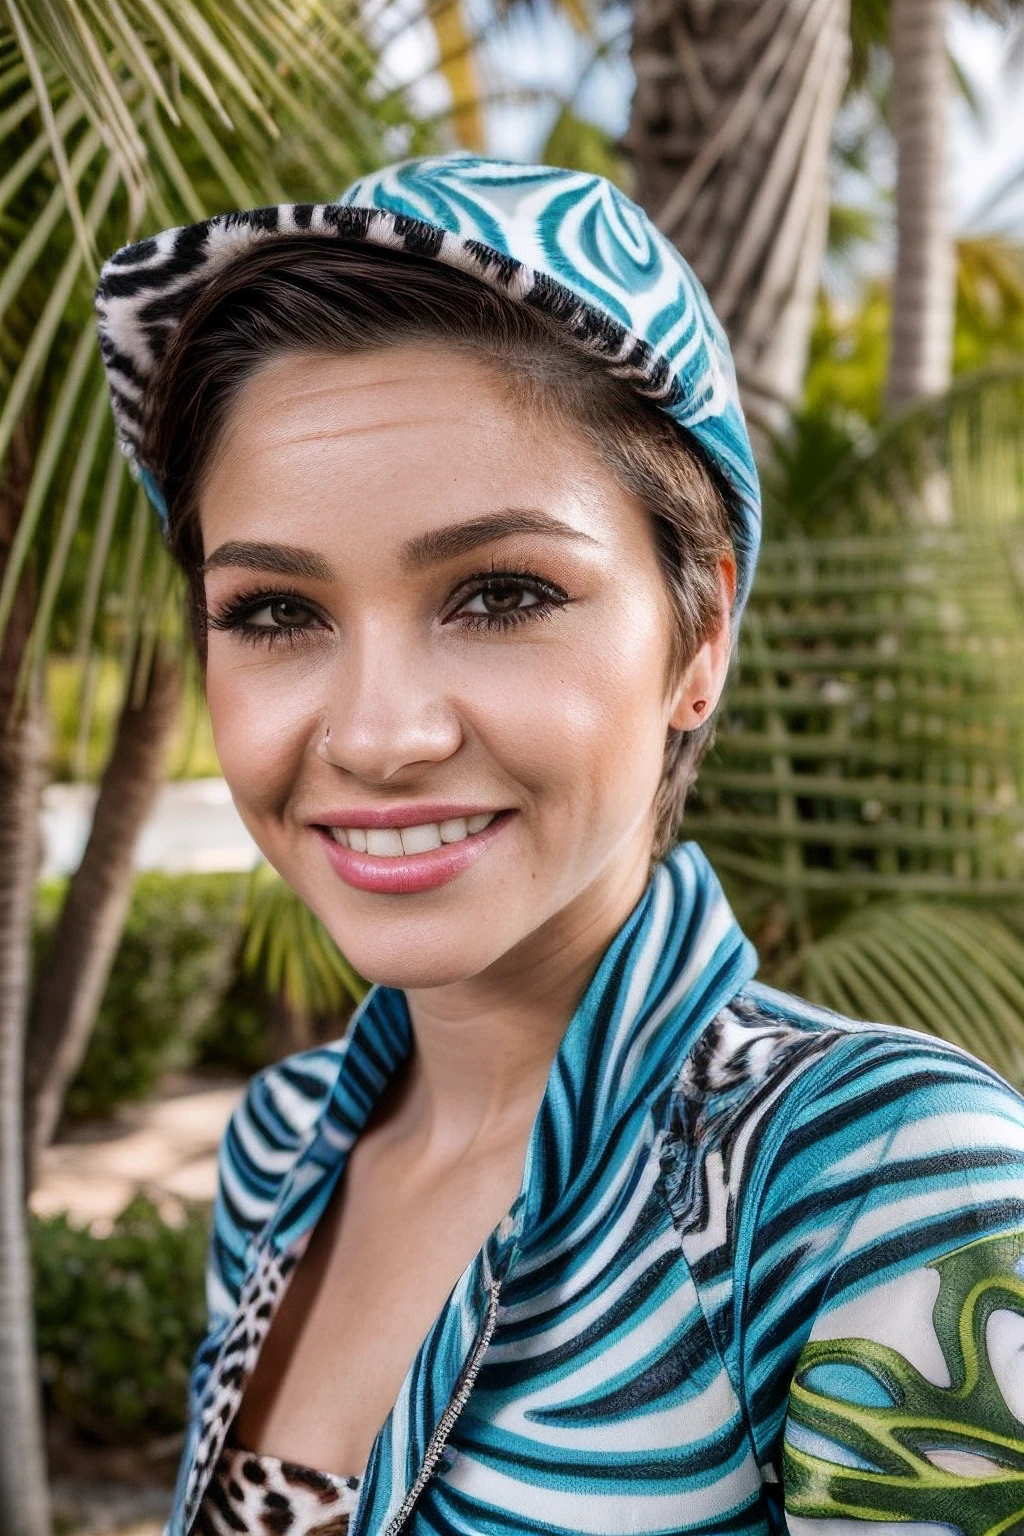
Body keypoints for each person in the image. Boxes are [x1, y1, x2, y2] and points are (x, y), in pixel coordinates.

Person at [95, 155, 1024, 1536]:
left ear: (698, 636)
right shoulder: (279, 1149)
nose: (376, 734)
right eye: (278, 613)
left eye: (502, 592)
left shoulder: (875, 1183)